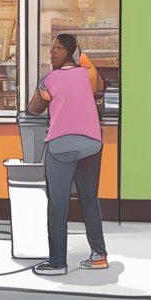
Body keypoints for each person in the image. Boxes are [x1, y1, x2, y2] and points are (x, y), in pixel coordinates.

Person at [27, 34, 108, 276]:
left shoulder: (49, 79)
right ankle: (99, 255)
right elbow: (100, 86)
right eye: (52, 49)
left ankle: (57, 262)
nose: (52, 53)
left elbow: (33, 109)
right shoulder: (88, 74)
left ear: (70, 52)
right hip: (92, 144)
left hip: (61, 145)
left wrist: (45, 94)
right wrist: (83, 59)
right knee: (90, 199)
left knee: (58, 205)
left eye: (59, 49)